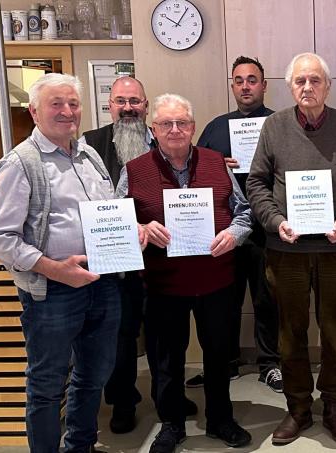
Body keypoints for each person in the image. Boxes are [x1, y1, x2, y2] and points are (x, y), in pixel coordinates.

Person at [0, 73, 144, 453]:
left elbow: (105, 212)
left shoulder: (88, 156)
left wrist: (130, 229)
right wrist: (54, 269)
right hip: (52, 293)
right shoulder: (20, 163)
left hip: (101, 284)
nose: (67, 111)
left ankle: (80, 447)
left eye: (73, 104)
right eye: (56, 104)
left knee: (92, 376)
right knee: (47, 385)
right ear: (34, 111)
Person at [246, 52, 336, 445]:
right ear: (290, 87)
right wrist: (275, 221)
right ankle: (298, 408)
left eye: (315, 80)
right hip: (286, 250)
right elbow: (256, 183)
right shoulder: (274, 126)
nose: (307, 87)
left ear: (328, 86)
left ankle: (334, 406)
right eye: (300, 81)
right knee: (291, 332)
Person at [116, 94, 254, 453]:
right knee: (167, 359)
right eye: (166, 124)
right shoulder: (134, 170)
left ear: (193, 127)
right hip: (163, 285)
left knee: (218, 354)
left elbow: (243, 212)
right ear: (154, 129)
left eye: (182, 123)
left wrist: (233, 235)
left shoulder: (216, 163)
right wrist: (140, 228)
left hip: (216, 281)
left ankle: (221, 419)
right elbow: (117, 220)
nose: (175, 130)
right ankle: (172, 424)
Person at [80, 76, 190, 434]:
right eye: (120, 101)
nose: (128, 108)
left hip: (160, 258)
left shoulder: (164, 138)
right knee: (120, 335)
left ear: (145, 106)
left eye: (135, 101)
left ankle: (167, 397)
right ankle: (122, 401)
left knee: (162, 335)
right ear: (109, 105)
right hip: (114, 258)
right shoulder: (89, 145)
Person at [190, 55, 282, 392]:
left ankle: (270, 364)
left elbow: (293, 170)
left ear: (264, 85)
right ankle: (224, 364)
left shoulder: (279, 124)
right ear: (232, 86)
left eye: (252, 80)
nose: (245, 86)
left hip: (268, 229)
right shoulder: (216, 128)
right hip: (225, 231)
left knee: (266, 300)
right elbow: (193, 172)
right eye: (239, 81)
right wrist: (216, 165)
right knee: (223, 302)